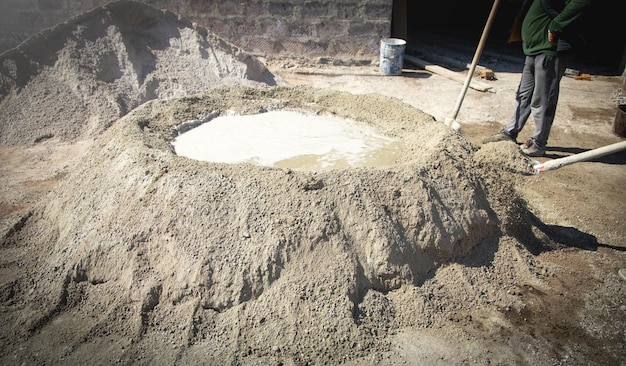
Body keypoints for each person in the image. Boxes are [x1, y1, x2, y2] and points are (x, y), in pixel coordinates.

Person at [483, 0, 591, 157]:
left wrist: (556, 26)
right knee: (524, 94)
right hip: (534, 48)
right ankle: (510, 132)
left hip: (549, 50)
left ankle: (538, 143)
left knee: (543, 99)